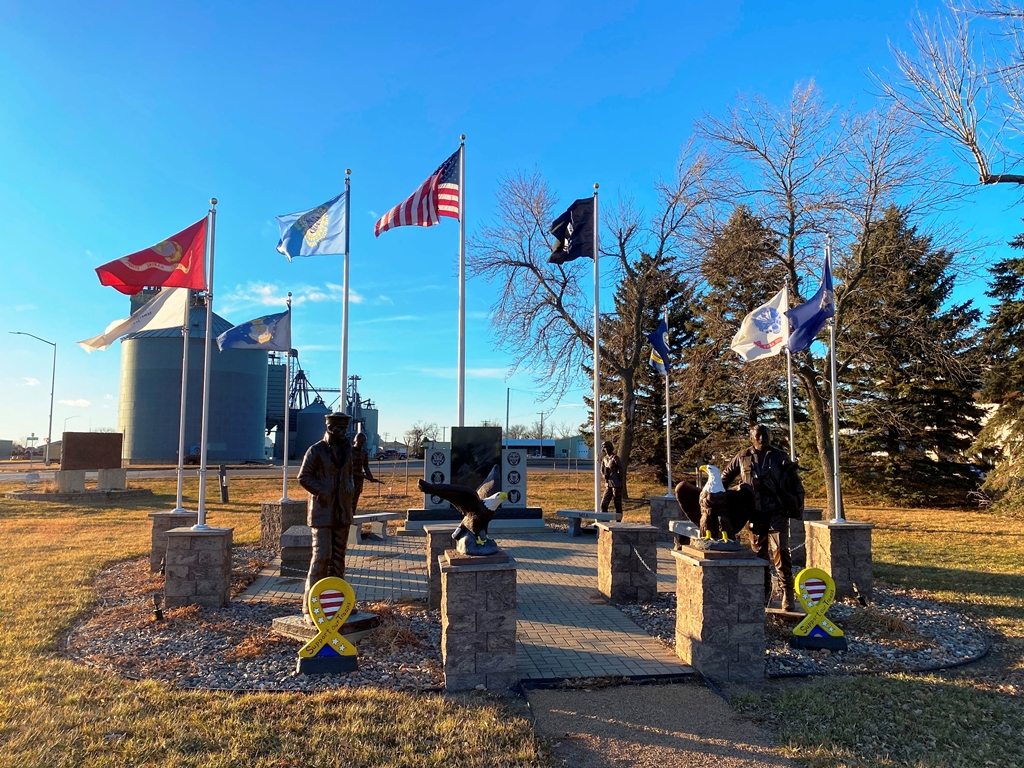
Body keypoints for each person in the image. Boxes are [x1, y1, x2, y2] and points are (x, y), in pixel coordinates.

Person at [721, 424, 803, 612]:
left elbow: (795, 481)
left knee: (781, 550)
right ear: (751, 438)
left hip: (777, 511)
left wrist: (796, 502)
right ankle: (764, 591)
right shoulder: (742, 457)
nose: (762, 438)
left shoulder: (779, 456)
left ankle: (787, 590)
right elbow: (724, 478)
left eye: (765, 435)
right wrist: (722, 497)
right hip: (754, 513)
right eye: (758, 435)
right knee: (759, 555)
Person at [297, 412, 354, 620]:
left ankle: (339, 603)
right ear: (330, 428)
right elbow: (303, 477)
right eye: (340, 429)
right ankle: (309, 606)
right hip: (322, 512)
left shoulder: (347, 449)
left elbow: (349, 475)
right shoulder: (316, 450)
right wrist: (324, 491)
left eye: (345, 428)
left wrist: (349, 491)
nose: (344, 432)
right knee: (321, 557)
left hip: (342, 511)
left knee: (339, 559)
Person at [600, 440, 624, 521]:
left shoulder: (615, 458)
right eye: (604, 447)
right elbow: (602, 470)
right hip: (608, 483)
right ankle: (605, 521)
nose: (606, 449)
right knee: (603, 504)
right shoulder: (604, 459)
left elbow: (620, 469)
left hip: (616, 483)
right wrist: (605, 475)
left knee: (617, 503)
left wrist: (620, 481)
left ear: (610, 447)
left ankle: (618, 522)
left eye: (607, 447)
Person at [351, 432, 374, 516]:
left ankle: (352, 515)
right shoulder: (348, 451)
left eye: (363, 443)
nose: (361, 445)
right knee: (347, 499)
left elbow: (366, 466)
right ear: (355, 441)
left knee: (355, 499)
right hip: (349, 478)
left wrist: (370, 477)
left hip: (358, 480)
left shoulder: (364, 453)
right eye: (359, 442)